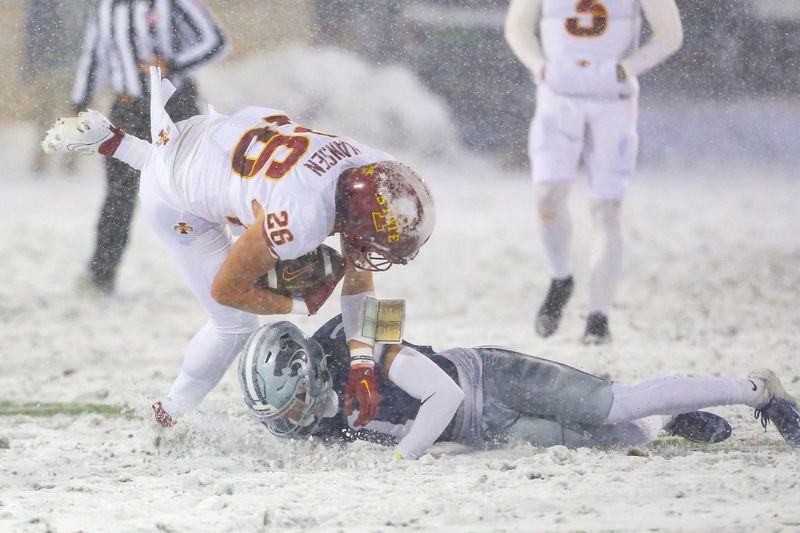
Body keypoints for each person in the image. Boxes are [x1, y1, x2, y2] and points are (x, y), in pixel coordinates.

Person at [42, 68, 436, 430]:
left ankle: (120, 144)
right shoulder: (301, 217)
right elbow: (226, 288)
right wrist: (300, 305)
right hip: (176, 197)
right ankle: (170, 414)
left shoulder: (373, 167)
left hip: (208, 135)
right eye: (373, 240)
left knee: (248, 210)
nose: (372, 251)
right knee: (234, 324)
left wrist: (362, 363)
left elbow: (360, 279)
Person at [237, 316, 800, 459]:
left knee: (611, 405)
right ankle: (669, 421)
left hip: (489, 378)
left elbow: (444, 396)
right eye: (286, 416)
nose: (298, 421)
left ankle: (756, 390)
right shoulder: (313, 422)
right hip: (486, 429)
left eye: (297, 404)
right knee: (615, 440)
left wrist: (403, 458)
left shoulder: (358, 348)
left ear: (313, 369)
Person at [504, 0, 684, 343]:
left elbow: (670, 33)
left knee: (605, 208)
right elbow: (517, 26)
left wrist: (626, 68)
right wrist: (540, 66)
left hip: (612, 102)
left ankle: (598, 317)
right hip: (558, 98)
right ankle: (561, 278)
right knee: (547, 197)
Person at [71, 0, 227, 295]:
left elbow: (214, 40)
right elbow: (93, 56)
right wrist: (79, 103)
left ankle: (226, 271)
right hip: (128, 108)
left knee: (194, 192)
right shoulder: (104, 7)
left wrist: (173, 63)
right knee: (118, 195)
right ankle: (100, 275)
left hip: (174, 105)